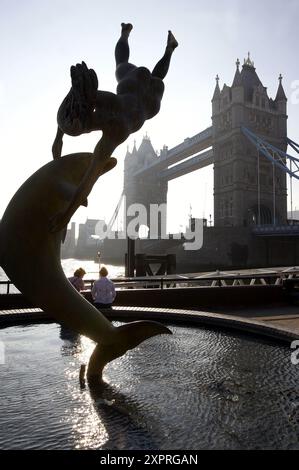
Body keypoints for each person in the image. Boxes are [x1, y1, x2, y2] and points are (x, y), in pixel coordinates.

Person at [50, 23, 178, 233]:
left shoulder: (115, 132)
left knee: (154, 76)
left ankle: (167, 48)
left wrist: (65, 217)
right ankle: (131, 36)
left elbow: (88, 182)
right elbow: (77, 102)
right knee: (122, 64)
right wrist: (58, 137)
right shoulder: (100, 100)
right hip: (136, 85)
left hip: (150, 98)